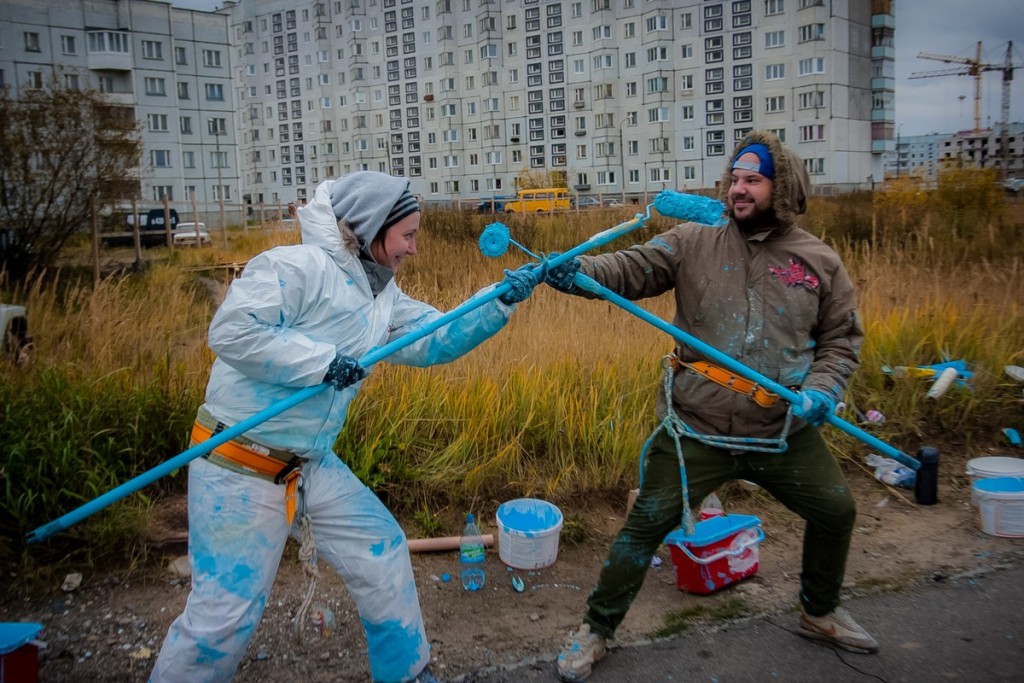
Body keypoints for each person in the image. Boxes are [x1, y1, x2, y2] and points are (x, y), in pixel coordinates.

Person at [151, 171, 538, 683]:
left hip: (308, 462)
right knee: (224, 616)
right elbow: (232, 331)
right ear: (374, 227)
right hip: (239, 462)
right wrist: (322, 362)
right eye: (408, 235)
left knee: (382, 551)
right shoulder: (296, 267)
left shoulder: (382, 296)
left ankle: (408, 672)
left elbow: (435, 336)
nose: (414, 249)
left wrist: (500, 300)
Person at [546, 131, 873, 681]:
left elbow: (840, 339)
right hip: (695, 430)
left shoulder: (818, 261)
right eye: (734, 179)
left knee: (836, 510)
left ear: (783, 187)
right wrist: (576, 274)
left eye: (753, 180)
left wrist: (823, 390)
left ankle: (819, 612)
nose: (737, 189)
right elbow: (627, 269)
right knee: (645, 525)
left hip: (781, 429)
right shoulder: (691, 242)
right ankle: (596, 630)